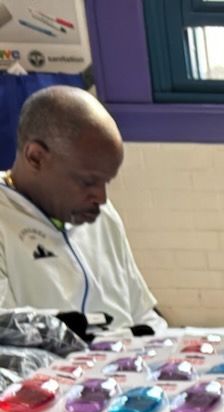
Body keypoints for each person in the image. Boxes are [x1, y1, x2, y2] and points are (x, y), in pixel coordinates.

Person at [1, 85, 165, 335]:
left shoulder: (102, 215)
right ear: (36, 157)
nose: (101, 197)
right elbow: (10, 337)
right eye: (88, 182)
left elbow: (141, 312)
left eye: (105, 182)